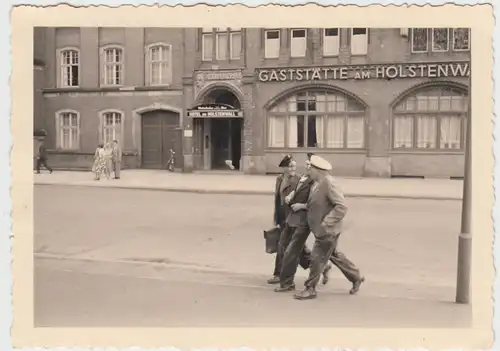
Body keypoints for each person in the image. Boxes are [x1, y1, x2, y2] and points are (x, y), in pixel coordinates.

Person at [294, 155, 364, 300]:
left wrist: (327, 222)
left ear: (318, 170)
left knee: (316, 258)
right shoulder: (316, 183)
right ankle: (356, 277)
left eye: (311, 169)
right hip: (321, 230)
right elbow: (317, 204)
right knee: (334, 255)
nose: (308, 171)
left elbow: (342, 206)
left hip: (327, 231)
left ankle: (310, 288)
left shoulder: (329, 184)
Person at [275, 153, 332, 292]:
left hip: (302, 221)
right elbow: (289, 194)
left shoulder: (315, 183)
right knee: (285, 247)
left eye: (309, 165)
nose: (306, 167)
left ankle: (287, 282)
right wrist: (291, 196)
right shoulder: (303, 179)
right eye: (306, 164)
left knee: (292, 251)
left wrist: (302, 205)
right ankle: (322, 267)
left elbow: (315, 203)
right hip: (290, 218)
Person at [267, 155, 300, 285]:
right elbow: (277, 199)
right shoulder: (279, 179)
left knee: (282, 246)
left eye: (294, 166)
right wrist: (276, 217)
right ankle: (323, 267)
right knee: (298, 249)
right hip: (282, 217)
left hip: (291, 218)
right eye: (291, 166)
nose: (293, 169)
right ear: (285, 168)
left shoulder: (298, 180)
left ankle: (278, 274)